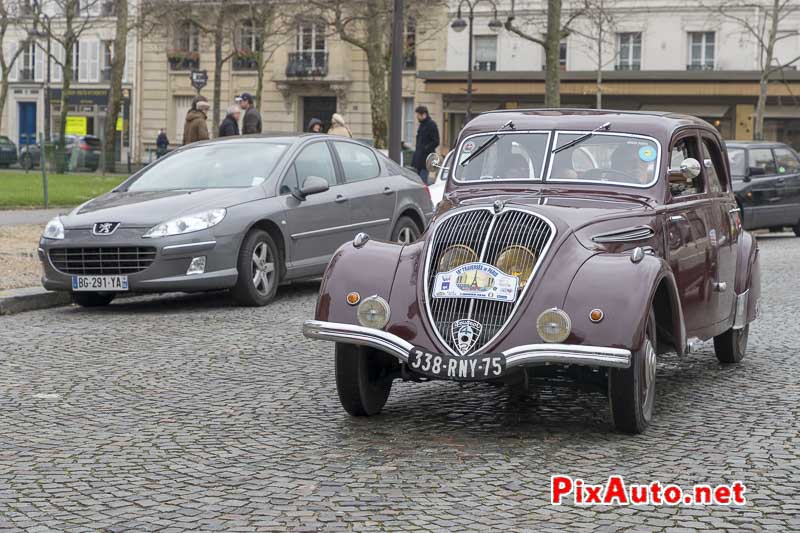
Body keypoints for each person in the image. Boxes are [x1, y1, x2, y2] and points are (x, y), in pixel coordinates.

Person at [411, 105, 440, 184]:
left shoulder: (431, 125)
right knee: (417, 181)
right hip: (418, 160)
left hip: (426, 159)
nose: (417, 117)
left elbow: (436, 141)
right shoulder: (422, 125)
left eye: (418, 115)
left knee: (422, 182)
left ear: (424, 114)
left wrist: (425, 148)